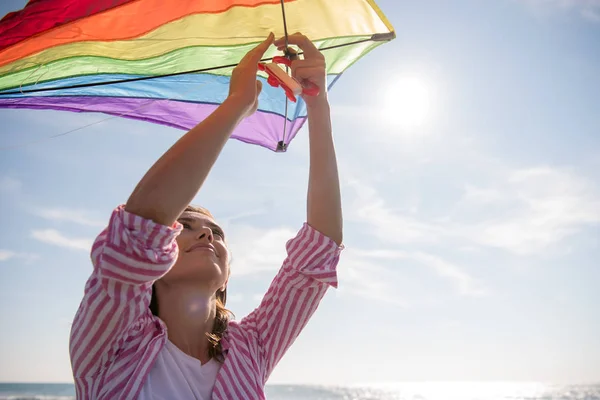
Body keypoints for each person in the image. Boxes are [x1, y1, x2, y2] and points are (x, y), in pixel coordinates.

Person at [69, 32, 344, 399]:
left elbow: (316, 255)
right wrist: (237, 104)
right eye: (184, 225)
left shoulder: (251, 349)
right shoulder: (112, 344)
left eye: (216, 232)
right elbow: (141, 227)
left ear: (227, 274)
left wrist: (318, 103)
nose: (207, 235)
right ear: (155, 261)